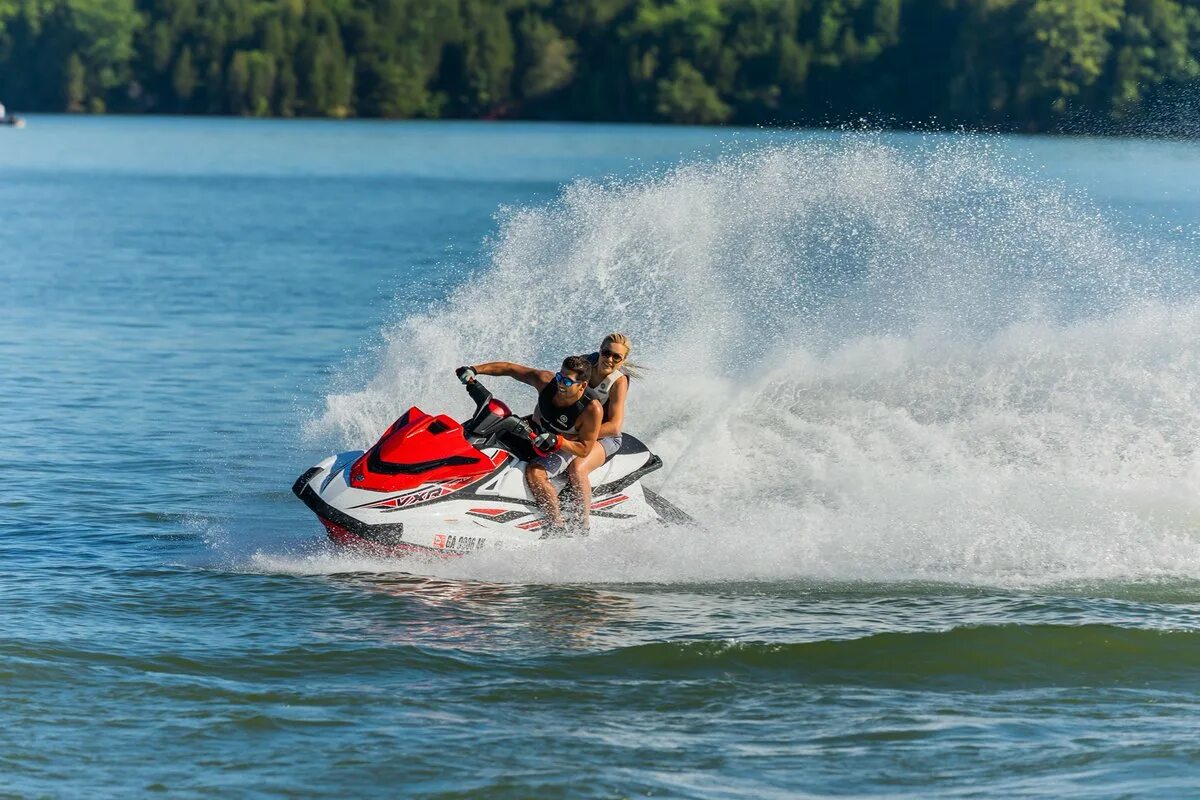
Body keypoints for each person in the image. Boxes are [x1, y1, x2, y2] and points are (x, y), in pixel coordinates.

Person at [455, 355, 602, 533]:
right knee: (484, 433)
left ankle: (556, 527)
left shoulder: (592, 409)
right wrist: (475, 369)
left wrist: (558, 440)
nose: (560, 384)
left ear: (582, 385)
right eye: (559, 377)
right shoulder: (546, 382)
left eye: (567, 381)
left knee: (535, 473)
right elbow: (509, 368)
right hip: (537, 431)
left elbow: (584, 449)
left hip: (565, 445)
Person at [566, 333, 634, 529]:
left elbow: (614, 426)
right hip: (574, 430)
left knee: (577, 468)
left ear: (623, 360)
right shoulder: (583, 365)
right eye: (606, 353)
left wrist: (578, 435)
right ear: (600, 351)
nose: (609, 359)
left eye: (616, 357)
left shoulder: (619, 382)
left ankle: (582, 526)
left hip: (606, 437)